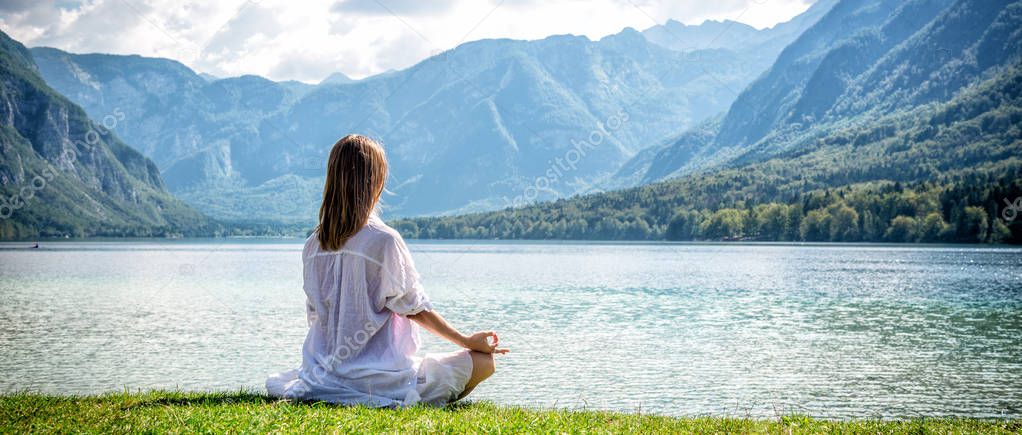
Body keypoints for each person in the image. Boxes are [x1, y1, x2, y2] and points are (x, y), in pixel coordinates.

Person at [266, 134, 507, 407]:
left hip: (320, 373)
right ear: (376, 182)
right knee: (484, 363)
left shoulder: (313, 244)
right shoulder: (384, 240)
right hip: (377, 378)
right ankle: (419, 400)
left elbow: (316, 316)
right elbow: (416, 309)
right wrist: (466, 340)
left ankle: (354, 387)